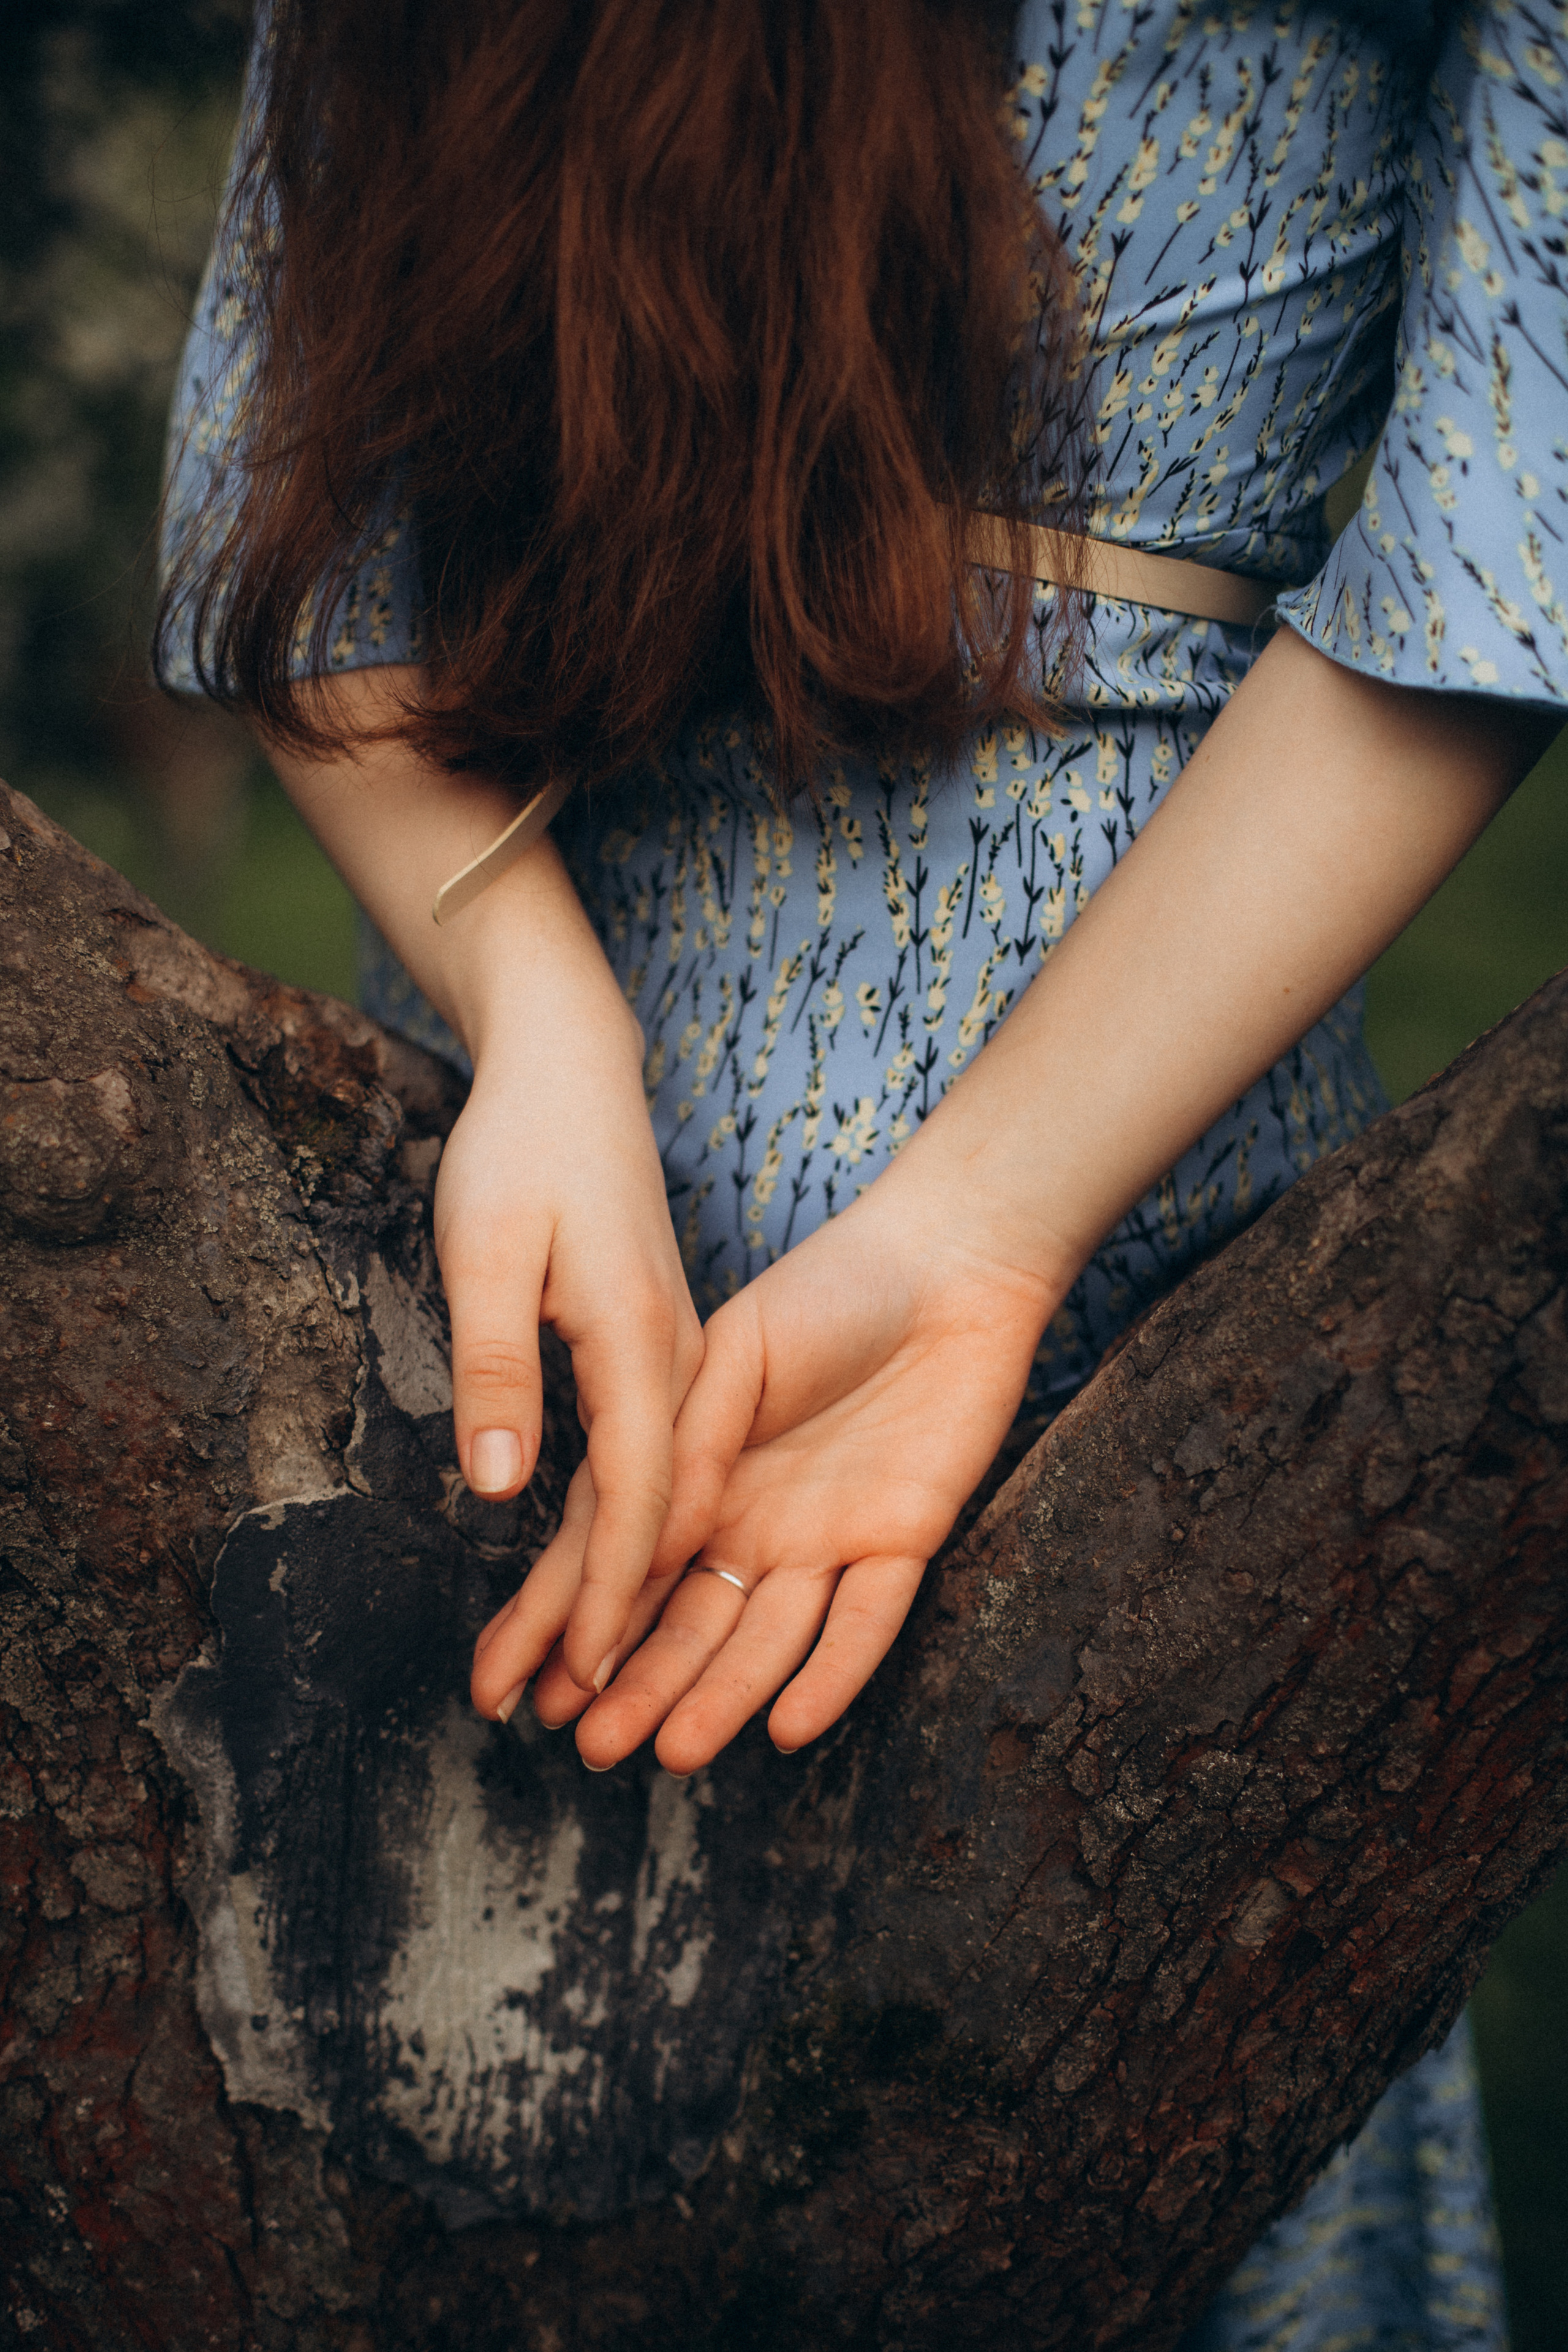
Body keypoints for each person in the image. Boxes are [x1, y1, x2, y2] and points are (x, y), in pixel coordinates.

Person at [160, 1, 1564, 2342]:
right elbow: (290, 504)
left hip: (1101, 1239)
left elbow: (1506, 541)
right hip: (533, 1198)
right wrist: (544, 1026)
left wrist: (989, 1207)